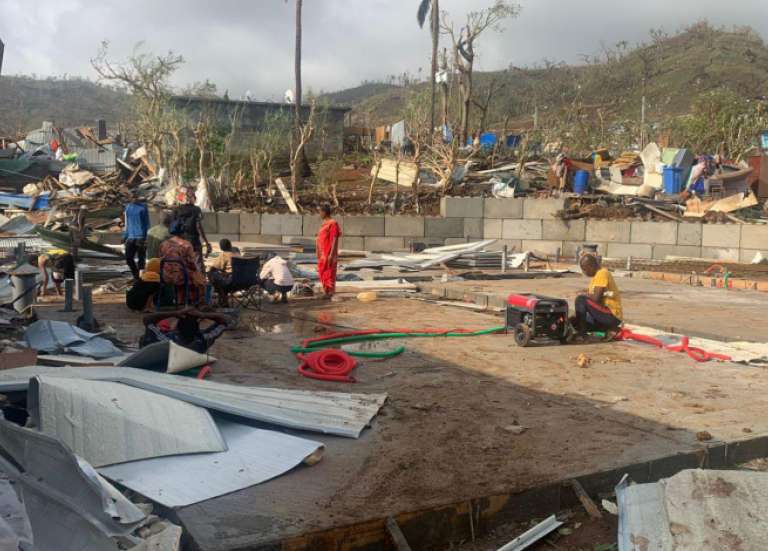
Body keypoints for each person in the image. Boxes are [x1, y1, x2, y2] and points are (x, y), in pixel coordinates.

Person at [140, 307, 235, 354]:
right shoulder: (203, 339)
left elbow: (147, 319)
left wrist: (175, 313)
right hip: (193, 347)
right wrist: (203, 315)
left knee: (146, 337)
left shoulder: (165, 340)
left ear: (177, 328)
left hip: (165, 347)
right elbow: (226, 321)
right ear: (197, 327)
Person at [573, 255, 623, 336]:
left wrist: (584, 296)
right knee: (574, 322)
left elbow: (596, 298)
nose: (584, 273)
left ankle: (582, 334)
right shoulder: (595, 277)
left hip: (612, 315)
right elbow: (593, 302)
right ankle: (611, 329)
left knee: (580, 300)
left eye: (585, 270)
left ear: (591, 266)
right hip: (603, 315)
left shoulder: (602, 273)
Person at [158, 226, 206, 305]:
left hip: (165, 276)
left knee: (188, 273)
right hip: (181, 276)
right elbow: (192, 264)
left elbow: (160, 258)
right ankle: (198, 302)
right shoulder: (186, 244)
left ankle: (181, 301)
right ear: (183, 233)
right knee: (199, 278)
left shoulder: (163, 244)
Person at [173, 188, 212, 272]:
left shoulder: (177, 210)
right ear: (193, 198)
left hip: (181, 242)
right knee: (198, 263)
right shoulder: (196, 210)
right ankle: (200, 282)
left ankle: (185, 282)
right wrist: (206, 242)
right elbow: (198, 227)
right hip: (194, 241)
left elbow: (173, 227)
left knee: (182, 263)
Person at [316, 203, 341, 299]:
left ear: (324, 212)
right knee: (323, 272)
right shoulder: (324, 224)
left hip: (329, 253)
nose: (319, 214)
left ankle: (330, 292)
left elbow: (334, 238)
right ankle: (326, 292)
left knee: (329, 273)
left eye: (320, 212)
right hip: (322, 254)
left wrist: (331, 254)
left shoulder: (333, 223)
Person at [123, 193, 150, 280]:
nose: (134, 198)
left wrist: (146, 237)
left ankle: (140, 277)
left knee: (141, 258)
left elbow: (147, 223)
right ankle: (136, 275)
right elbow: (126, 223)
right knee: (128, 258)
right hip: (130, 237)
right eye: (132, 197)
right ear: (130, 198)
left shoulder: (143, 207)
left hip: (140, 237)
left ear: (138, 198)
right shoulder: (128, 208)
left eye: (136, 197)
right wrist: (125, 235)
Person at [208, 239, 239, 306]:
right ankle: (223, 299)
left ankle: (223, 299)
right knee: (221, 278)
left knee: (211, 275)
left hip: (231, 281)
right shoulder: (237, 254)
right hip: (244, 281)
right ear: (230, 245)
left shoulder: (224, 255)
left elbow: (213, 268)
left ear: (221, 248)